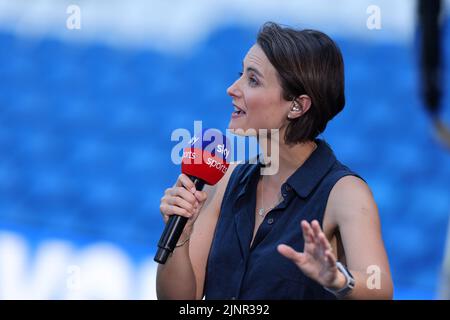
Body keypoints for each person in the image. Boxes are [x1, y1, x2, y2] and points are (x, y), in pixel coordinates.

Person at [156, 22, 393, 300]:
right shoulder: (223, 180)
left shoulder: (346, 193)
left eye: (253, 80)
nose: (232, 89)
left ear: (297, 106)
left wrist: (339, 280)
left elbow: (380, 287)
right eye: (240, 75)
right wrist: (182, 234)